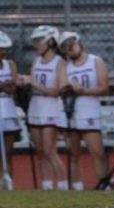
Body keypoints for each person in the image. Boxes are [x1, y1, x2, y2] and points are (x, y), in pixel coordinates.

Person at [59, 32, 110, 191]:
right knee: (73, 154)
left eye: (72, 45)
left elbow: (104, 88)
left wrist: (83, 90)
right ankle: (77, 187)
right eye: (66, 48)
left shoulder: (95, 61)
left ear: (79, 43)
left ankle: (104, 184)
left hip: (89, 113)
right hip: (70, 112)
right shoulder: (64, 66)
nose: (70, 50)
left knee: (97, 152)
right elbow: (60, 87)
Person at [22, 25, 68, 190]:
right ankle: (47, 186)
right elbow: (33, 83)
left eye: (39, 41)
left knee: (50, 151)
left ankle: (62, 185)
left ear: (50, 41)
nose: (36, 44)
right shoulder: (37, 61)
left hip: (50, 110)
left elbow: (56, 90)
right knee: (40, 151)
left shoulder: (59, 62)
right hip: (36, 108)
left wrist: (32, 82)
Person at [0, 31, 22, 184]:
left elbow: (13, 88)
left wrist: (5, 86)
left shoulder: (11, 64)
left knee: (7, 150)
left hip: (8, 110)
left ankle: (8, 179)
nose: (3, 52)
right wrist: (5, 85)